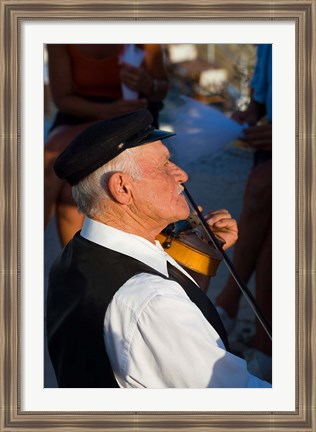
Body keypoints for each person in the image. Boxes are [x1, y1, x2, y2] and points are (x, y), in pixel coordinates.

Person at [46, 108, 271, 388]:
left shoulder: (76, 254)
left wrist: (202, 259)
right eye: (165, 165)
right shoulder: (152, 303)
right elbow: (243, 401)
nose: (182, 175)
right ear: (122, 188)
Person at [44, 44, 168, 246]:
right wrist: (108, 111)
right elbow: (63, 99)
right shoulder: (61, 35)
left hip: (133, 115)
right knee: (51, 162)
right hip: (82, 112)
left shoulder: (142, 32)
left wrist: (148, 84)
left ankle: (72, 269)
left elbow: (161, 88)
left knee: (68, 187)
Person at [215, 44, 272, 381]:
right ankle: (265, 343)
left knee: (263, 186)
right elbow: (262, 91)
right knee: (271, 224)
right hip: (271, 142)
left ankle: (229, 299)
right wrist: (250, 113)